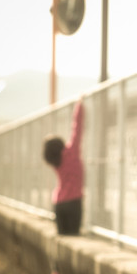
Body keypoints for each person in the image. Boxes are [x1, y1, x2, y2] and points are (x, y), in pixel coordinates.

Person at [43, 98, 84, 236]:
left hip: (59, 203)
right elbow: (77, 128)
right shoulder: (72, 152)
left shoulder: (56, 162)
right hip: (74, 201)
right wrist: (79, 106)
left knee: (62, 238)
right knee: (73, 237)